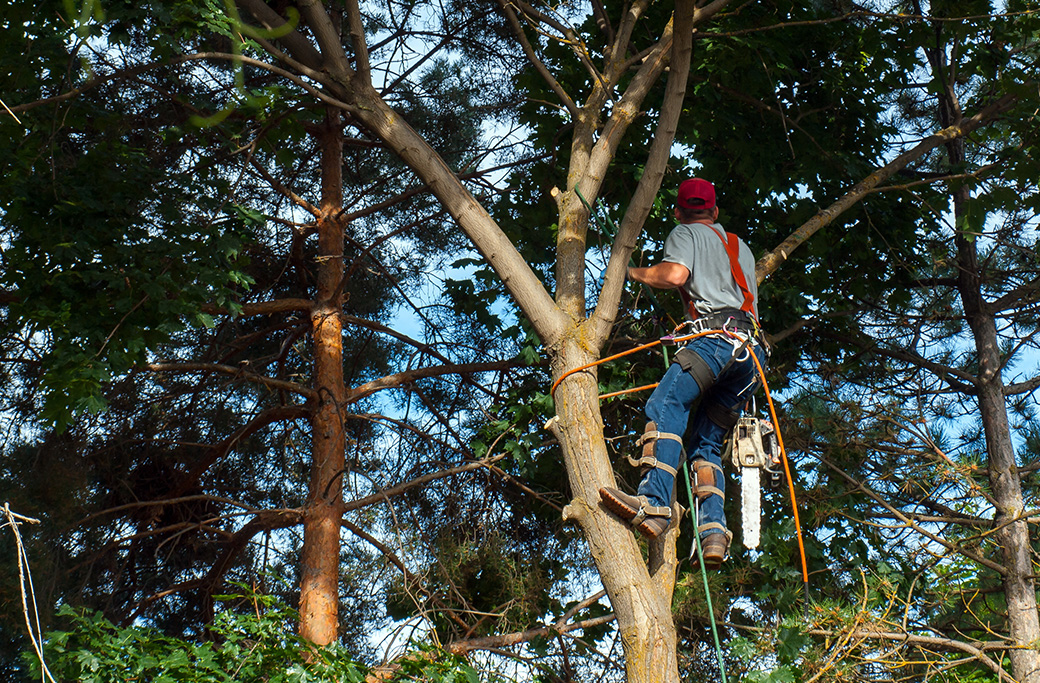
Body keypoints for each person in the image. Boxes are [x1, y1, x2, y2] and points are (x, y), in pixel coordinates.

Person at [599, 177, 766, 570]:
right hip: (752, 356)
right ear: (715, 212)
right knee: (706, 444)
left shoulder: (684, 231)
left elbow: (675, 275)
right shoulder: (740, 247)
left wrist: (633, 272)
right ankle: (712, 533)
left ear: (678, 211)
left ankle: (655, 504)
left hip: (715, 341)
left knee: (667, 402)